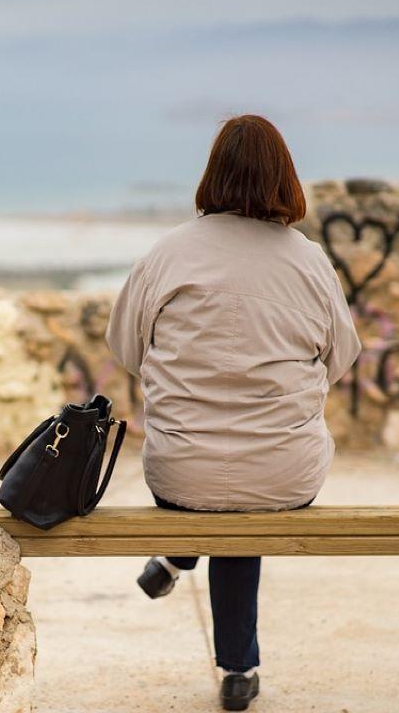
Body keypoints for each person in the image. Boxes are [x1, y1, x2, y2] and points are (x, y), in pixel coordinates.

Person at [105, 114, 360, 711]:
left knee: (218, 490)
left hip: (180, 473)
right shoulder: (310, 261)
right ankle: (238, 670)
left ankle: (178, 559)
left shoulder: (167, 253)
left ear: (212, 174)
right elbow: (341, 358)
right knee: (248, 491)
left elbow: (126, 350)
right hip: (283, 473)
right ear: (285, 179)